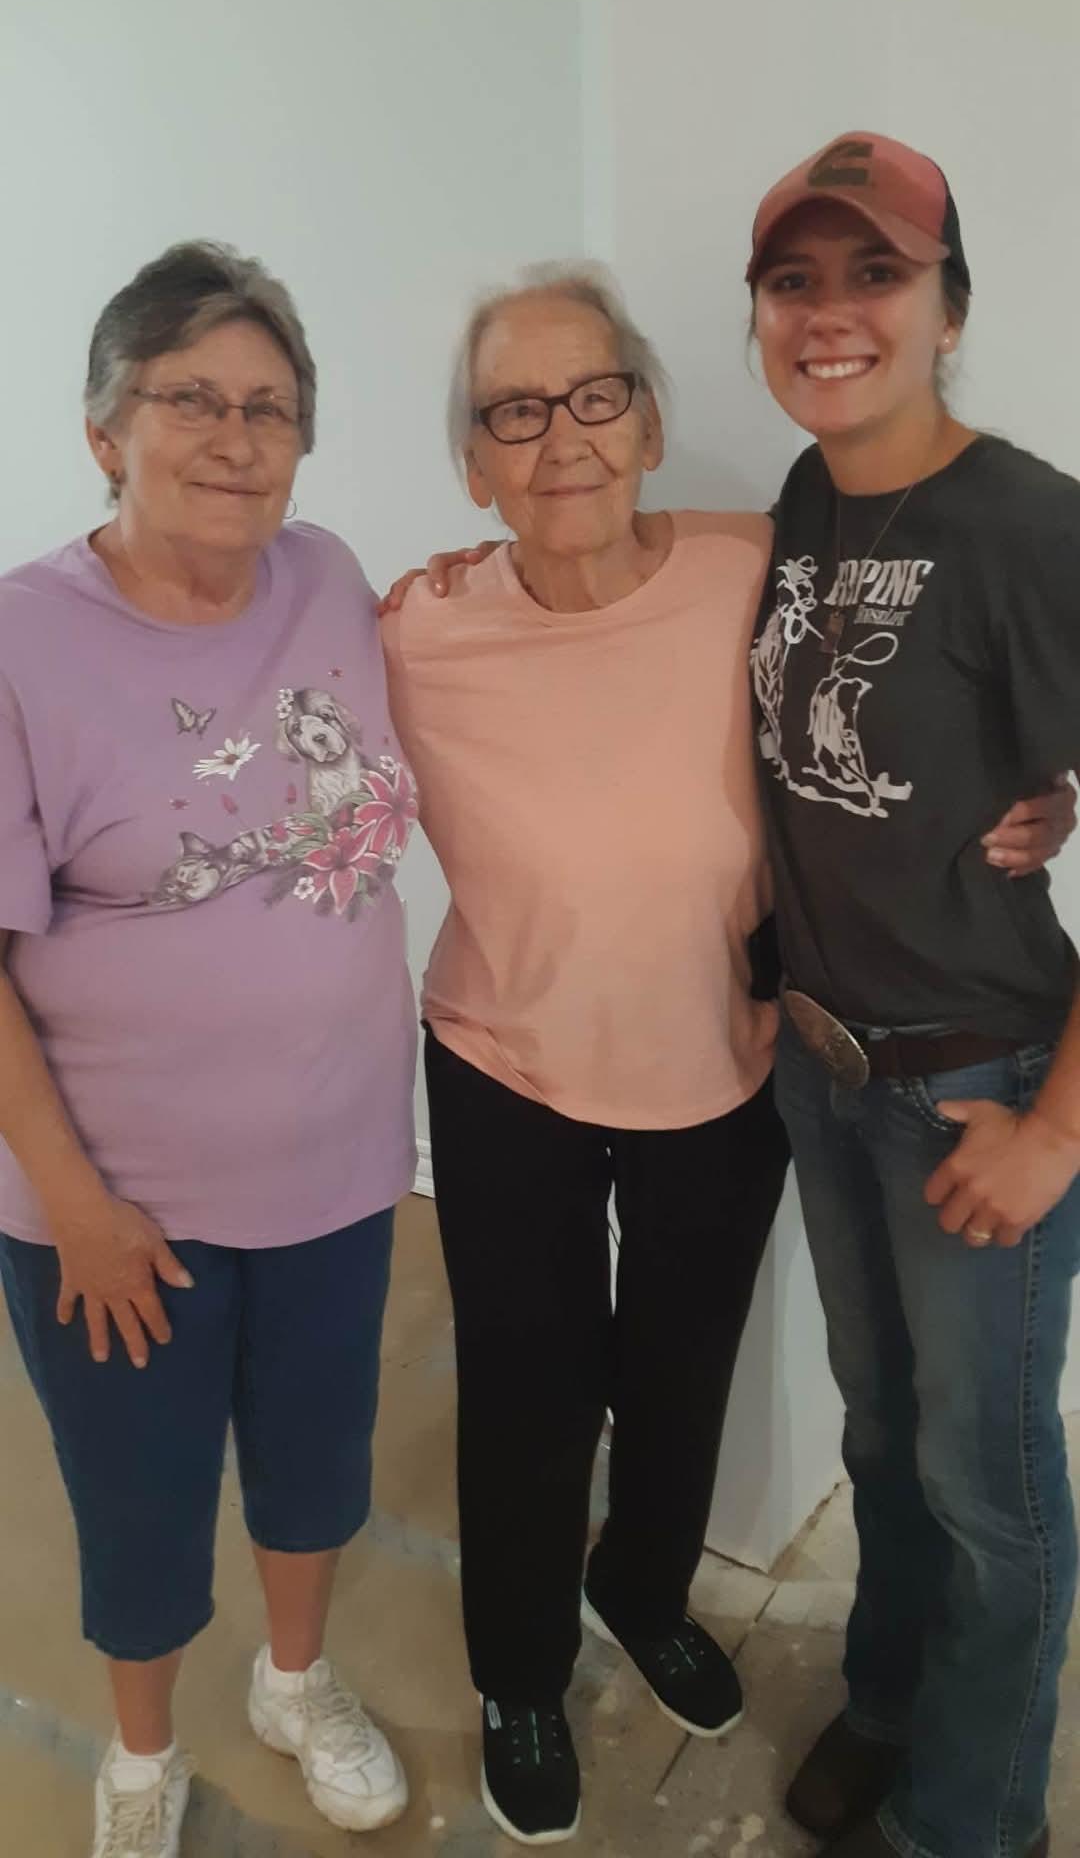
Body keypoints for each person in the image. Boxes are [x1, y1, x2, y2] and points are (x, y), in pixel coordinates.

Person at [378, 263, 1070, 1849]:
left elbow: (912, 694)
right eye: (514, 412)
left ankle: (641, 1587)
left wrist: (1045, 788)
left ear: (647, 423)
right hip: (503, 1062)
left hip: (725, 1050)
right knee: (531, 1387)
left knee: (681, 1368)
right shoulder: (414, 629)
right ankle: (520, 1674)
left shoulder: (753, 568)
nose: (562, 438)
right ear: (474, 464)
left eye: (595, 396)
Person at [0, 242, 418, 1857]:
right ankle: (141, 1754)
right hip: (119, 1207)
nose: (237, 439)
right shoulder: (24, 642)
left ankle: (296, 1685)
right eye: (193, 399)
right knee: (141, 1503)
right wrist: (75, 1207)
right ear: (105, 429)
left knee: (315, 1469)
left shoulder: (328, 576)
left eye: (271, 407)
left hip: (340, 1162)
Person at [744, 132, 1080, 1858]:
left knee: (989, 1491)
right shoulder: (808, 501)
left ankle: (970, 1819)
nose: (831, 313)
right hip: (824, 1071)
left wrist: (1056, 1132)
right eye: (793, 280)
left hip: (977, 1089)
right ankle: (889, 1700)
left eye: (876, 273)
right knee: (882, 1438)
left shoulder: (1028, 522)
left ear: (949, 308)